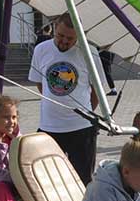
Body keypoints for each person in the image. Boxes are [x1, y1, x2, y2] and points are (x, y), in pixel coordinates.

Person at [28, 14, 101, 183]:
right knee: (47, 179)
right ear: (54, 28)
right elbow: (41, 84)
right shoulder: (41, 49)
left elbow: (97, 91)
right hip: (49, 127)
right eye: (60, 36)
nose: (64, 41)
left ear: (80, 36)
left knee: (83, 180)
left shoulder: (90, 53)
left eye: (70, 38)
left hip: (81, 129)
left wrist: (86, 113)